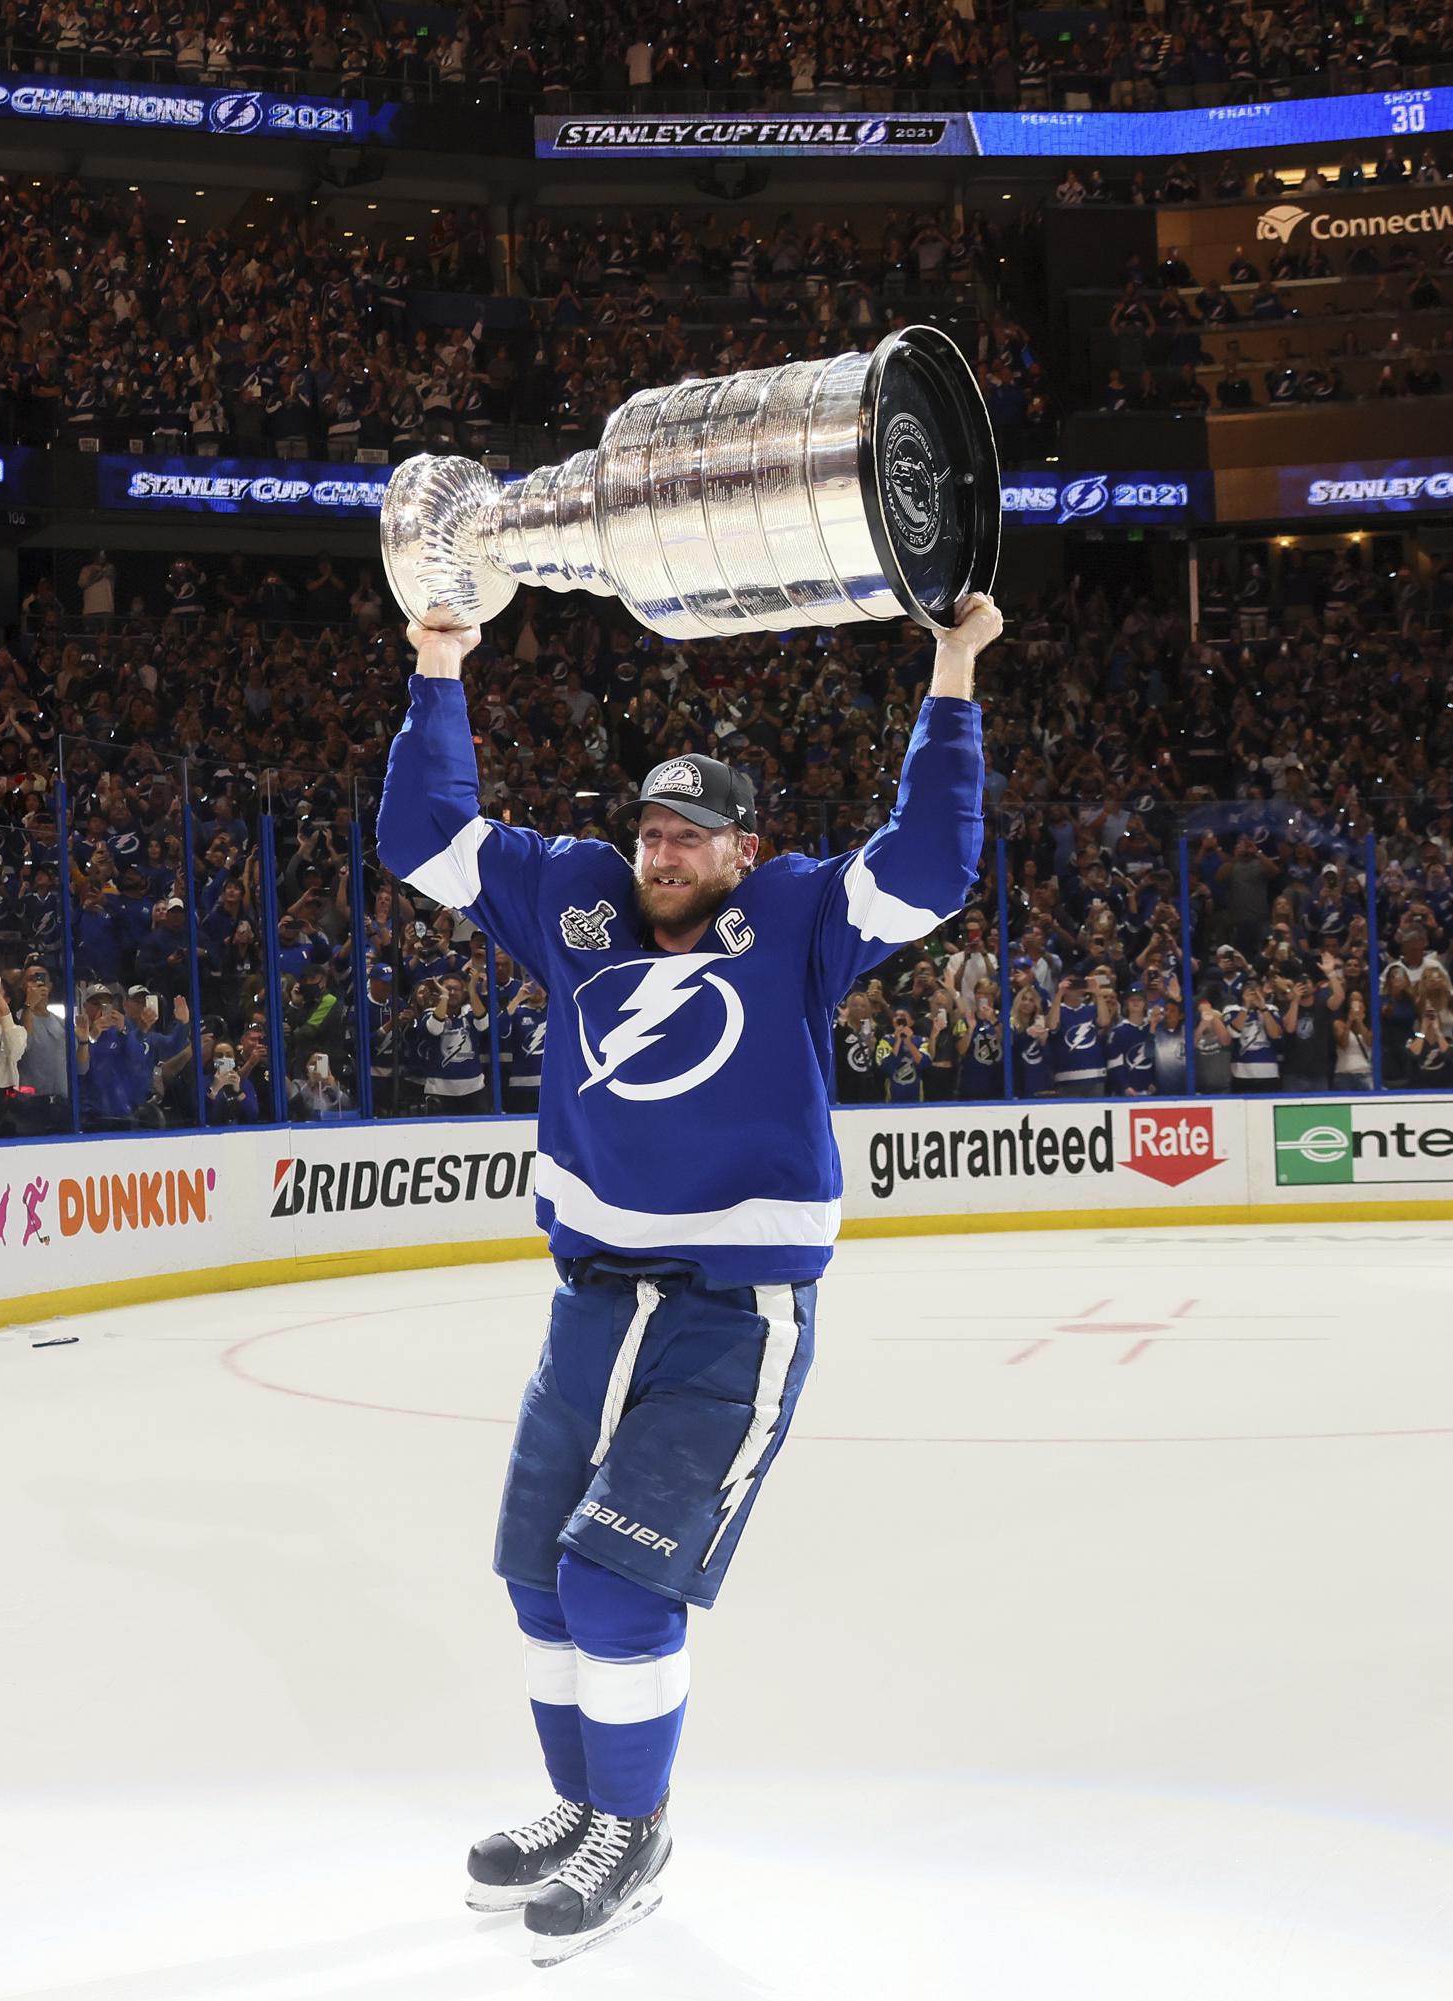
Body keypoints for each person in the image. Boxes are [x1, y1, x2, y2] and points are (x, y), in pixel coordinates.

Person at [378, 591, 997, 1964]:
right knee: (536, 1574)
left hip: (733, 1311)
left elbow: (933, 865)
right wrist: (439, 661)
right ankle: (577, 1804)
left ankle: (635, 1832)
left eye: (691, 835)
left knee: (615, 1587)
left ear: (745, 848)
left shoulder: (800, 916)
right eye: (651, 830)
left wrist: (952, 668)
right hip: (595, 1297)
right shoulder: (575, 896)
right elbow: (421, 836)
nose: (662, 854)